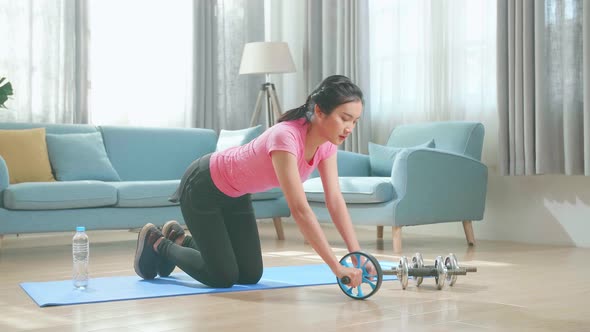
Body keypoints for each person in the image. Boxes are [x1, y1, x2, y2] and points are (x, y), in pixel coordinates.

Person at [133, 74, 374, 289]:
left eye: (355, 121)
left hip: (237, 195)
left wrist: (357, 254)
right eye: (345, 118)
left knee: (249, 275)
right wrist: (335, 266)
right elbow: (300, 210)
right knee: (222, 276)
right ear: (320, 111)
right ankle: (157, 242)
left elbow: (334, 200)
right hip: (203, 186)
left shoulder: (327, 146)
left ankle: (178, 238)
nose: (350, 128)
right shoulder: (286, 137)